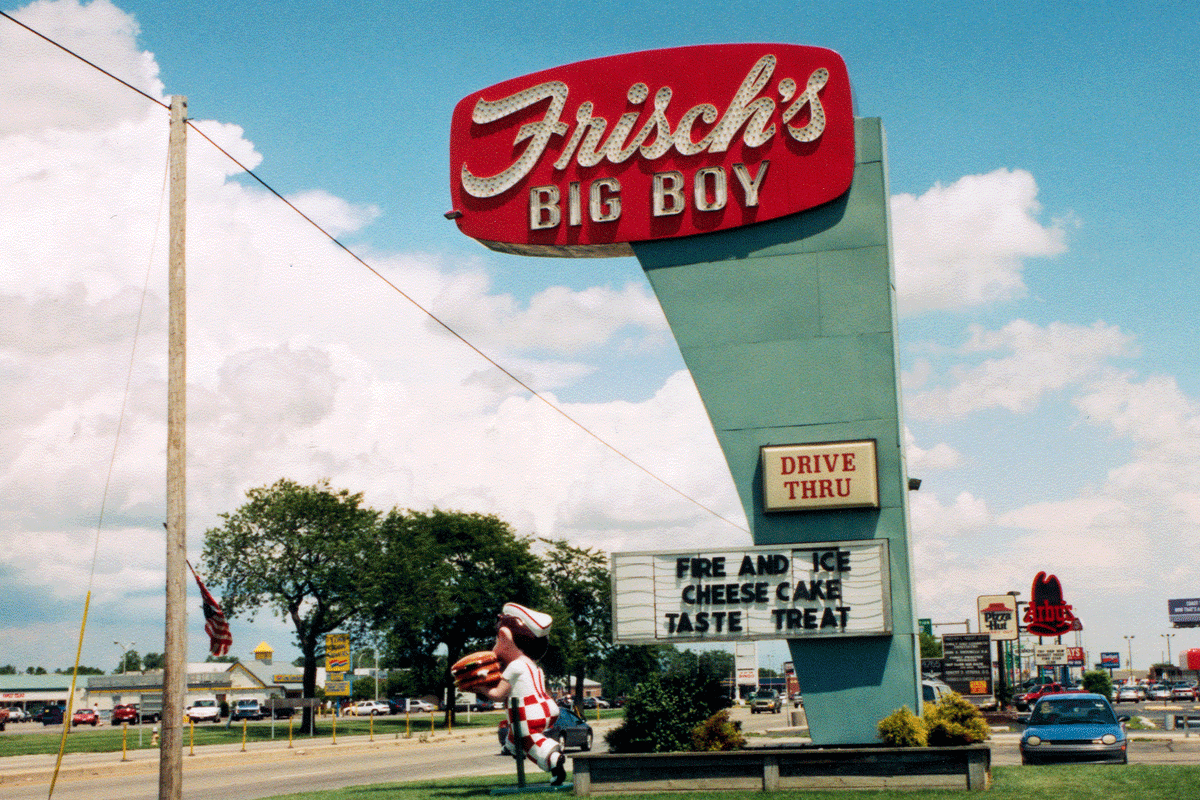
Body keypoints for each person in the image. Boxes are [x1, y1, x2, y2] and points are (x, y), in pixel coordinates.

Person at [479, 602, 567, 785]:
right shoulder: (532, 666)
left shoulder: (515, 666)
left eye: (497, 639)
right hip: (546, 706)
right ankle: (511, 746)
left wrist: (479, 687)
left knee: (527, 738)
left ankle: (553, 757)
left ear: (504, 636)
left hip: (528, 709)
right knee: (517, 732)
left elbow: (497, 694)